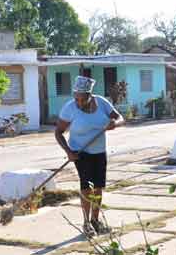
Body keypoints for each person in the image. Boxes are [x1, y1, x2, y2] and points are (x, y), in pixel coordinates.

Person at [55, 76, 125, 237]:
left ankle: (95, 220)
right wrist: (68, 152)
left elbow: (120, 118)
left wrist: (114, 124)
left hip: (99, 151)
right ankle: (86, 223)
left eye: (82, 99)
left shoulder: (101, 103)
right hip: (80, 152)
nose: (79, 103)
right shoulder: (69, 108)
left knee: (98, 186)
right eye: (76, 99)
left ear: (90, 96)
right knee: (86, 187)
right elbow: (58, 132)